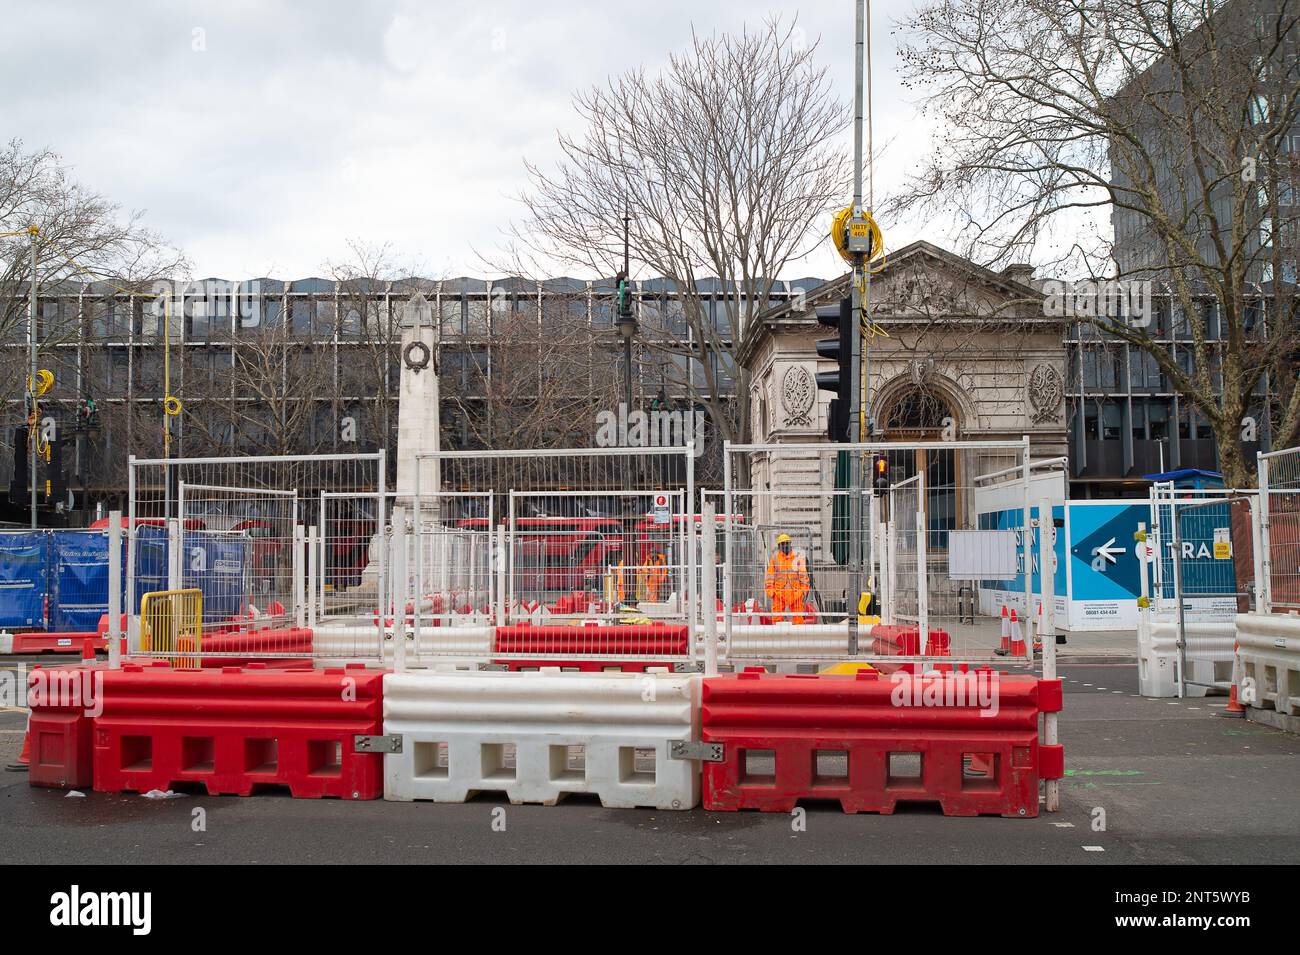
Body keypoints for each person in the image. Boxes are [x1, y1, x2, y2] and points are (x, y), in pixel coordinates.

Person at [764, 533, 809, 624]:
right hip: (779, 593)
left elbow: (803, 576)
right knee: (777, 618)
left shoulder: (797, 557)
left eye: (786, 543)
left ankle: (798, 636)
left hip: (795, 592)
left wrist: (803, 590)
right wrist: (771, 592)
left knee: (798, 618)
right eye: (782, 543)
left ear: (790, 544)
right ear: (779, 546)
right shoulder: (775, 558)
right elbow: (769, 577)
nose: (785, 545)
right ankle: (777, 636)